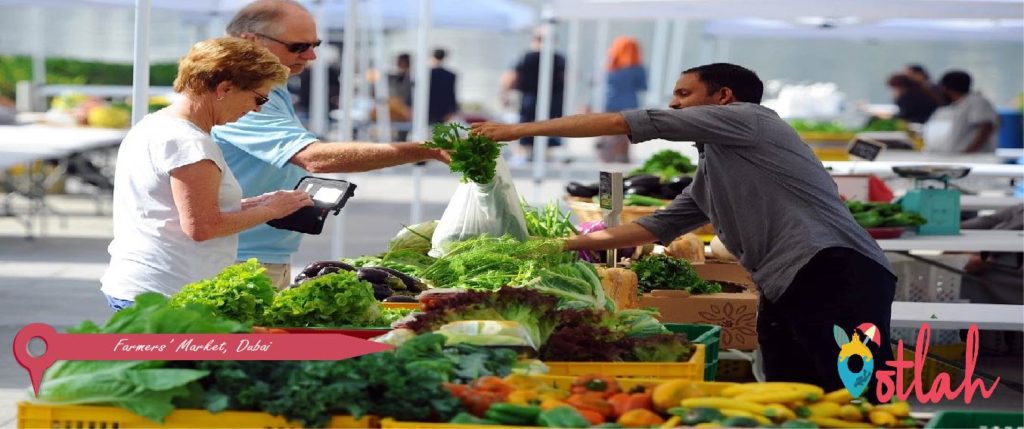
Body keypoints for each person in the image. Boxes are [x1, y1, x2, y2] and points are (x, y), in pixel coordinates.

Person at [472, 63, 897, 400]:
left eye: (684, 94)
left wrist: (518, 130)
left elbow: (631, 121)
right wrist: (556, 245)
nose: (673, 105)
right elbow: (655, 226)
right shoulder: (713, 170)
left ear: (723, 98)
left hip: (834, 268)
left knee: (855, 393)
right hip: (787, 281)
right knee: (793, 392)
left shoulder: (751, 120)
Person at [215, 0, 450, 288]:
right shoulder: (236, 93)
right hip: (238, 257)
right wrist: (424, 150)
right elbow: (313, 157)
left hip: (257, 252)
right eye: (298, 46)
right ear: (249, 40)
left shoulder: (272, 89)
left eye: (316, 44)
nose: (311, 55)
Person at [100, 38, 313, 310]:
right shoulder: (189, 142)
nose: (257, 108)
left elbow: (176, 209)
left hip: (145, 285)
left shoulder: (155, 124)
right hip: (168, 292)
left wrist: (255, 203)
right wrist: (271, 209)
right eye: (259, 98)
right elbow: (202, 227)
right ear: (224, 88)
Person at [500, 28, 566, 162]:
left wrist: (504, 94)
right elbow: (568, 79)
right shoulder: (559, 58)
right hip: (552, 100)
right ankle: (543, 158)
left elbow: (510, 77)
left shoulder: (527, 56)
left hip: (531, 99)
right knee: (549, 130)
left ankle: (526, 156)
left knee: (527, 129)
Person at [922, 70, 999, 153]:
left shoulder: (976, 102)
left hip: (975, 159)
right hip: (953, 158)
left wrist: (970, 151)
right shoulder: (952, 107)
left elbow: (986, 127)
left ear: (946, 88)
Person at [598, 36, 647, 163]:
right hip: (629, 103)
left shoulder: (609, 66)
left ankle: (607, 155)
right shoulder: (637, 69)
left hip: (610, 102)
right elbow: (643, 86)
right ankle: (623, 156)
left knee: (609, 130)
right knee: (626, 131)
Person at [428, 48, 459, 125]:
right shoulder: (450, 75)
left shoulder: (427, 74)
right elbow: (452, 94)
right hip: (443, 112)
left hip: (428, 110)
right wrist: (452, 110)